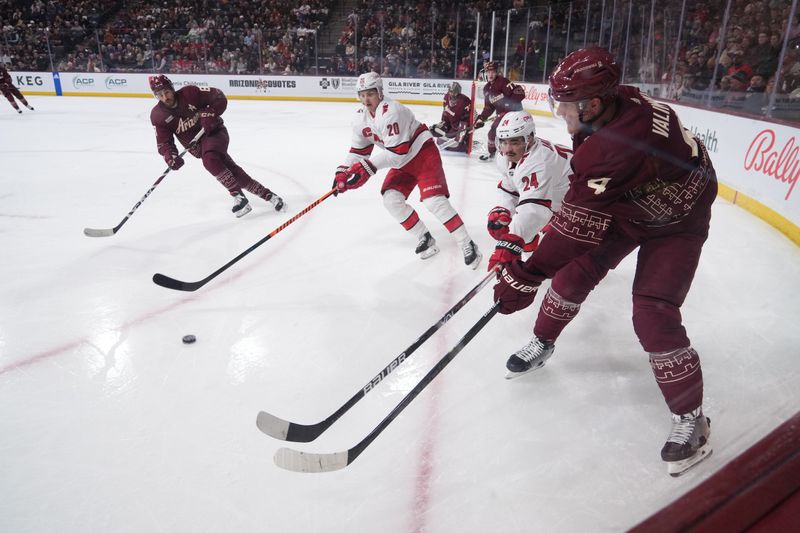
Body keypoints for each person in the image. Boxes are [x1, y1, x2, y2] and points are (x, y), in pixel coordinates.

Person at [492, 47, 717, 477]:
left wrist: (525, 275)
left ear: (593, 103)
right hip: (633, 202)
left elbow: (573, 228)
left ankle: (693, 420)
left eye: (564, 104)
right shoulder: (621, 102)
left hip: (676, 223)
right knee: (574, 278)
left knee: (653, 313)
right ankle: (543, 340)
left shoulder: (613, 147)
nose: (559, 112)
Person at [333, 72, 481, 268]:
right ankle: (425, 237)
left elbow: (398, 153)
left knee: (434, 201)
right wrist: (342, 171)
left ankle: (467, 243)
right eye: (362, 94)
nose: (366, 99)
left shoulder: (392, 112)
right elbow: (358, 151)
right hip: (401, 160)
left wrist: (367, 168)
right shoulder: (360, 119)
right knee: (391, 200)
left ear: (379, 92)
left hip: (422, 154)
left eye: (370, 93)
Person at [148, 75, 284, 218]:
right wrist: (170, 156)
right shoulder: (158, 115)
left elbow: (218, 96)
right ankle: (270, 196)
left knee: (210, 160)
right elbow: (164, 142)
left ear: (172, 88)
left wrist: (211, 112)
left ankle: (238, 196)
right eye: (159, 95)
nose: (165, 97)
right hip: (199, 147)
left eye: (167, 92)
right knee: (234, 173)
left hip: (214, 132)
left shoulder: (190, 93)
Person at [485, 110, 571, 272]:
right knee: (515, 226)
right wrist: (504, 210)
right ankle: (531, 260)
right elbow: (511, 188)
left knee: (559, 253)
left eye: (515, 142)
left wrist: (510, 243)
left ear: (529, 138)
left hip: (578, 199)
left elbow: (534, 210)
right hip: (555, 197)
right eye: (503, 142)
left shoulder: (539, 161)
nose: (508, 149)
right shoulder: (505, 156)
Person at [474, 60, 526, 161]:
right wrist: (481, 118)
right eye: (488, 72)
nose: (490, 74)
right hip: (502, 115)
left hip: (514, 113)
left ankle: (517, 153)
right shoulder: (486, 89)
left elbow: (520, 92)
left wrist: (510, 107)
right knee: (492, 133)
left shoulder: (503, 82)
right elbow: (488, 107)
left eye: (493, 72)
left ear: (496, 72)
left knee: (508, 133)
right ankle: (492, 154)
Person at [430, 81, 471, 153]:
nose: (452, 94)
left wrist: (462, 131)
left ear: (459, 92)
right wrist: (443, 124)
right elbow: (445, 113)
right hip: (452, 125)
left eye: (454, 92)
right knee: (439, 139)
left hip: (460, 126)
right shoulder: (446, 97)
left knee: (457, 145)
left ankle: (465, 142)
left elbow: (466, 118)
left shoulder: (465, 101)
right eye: (450, 92)